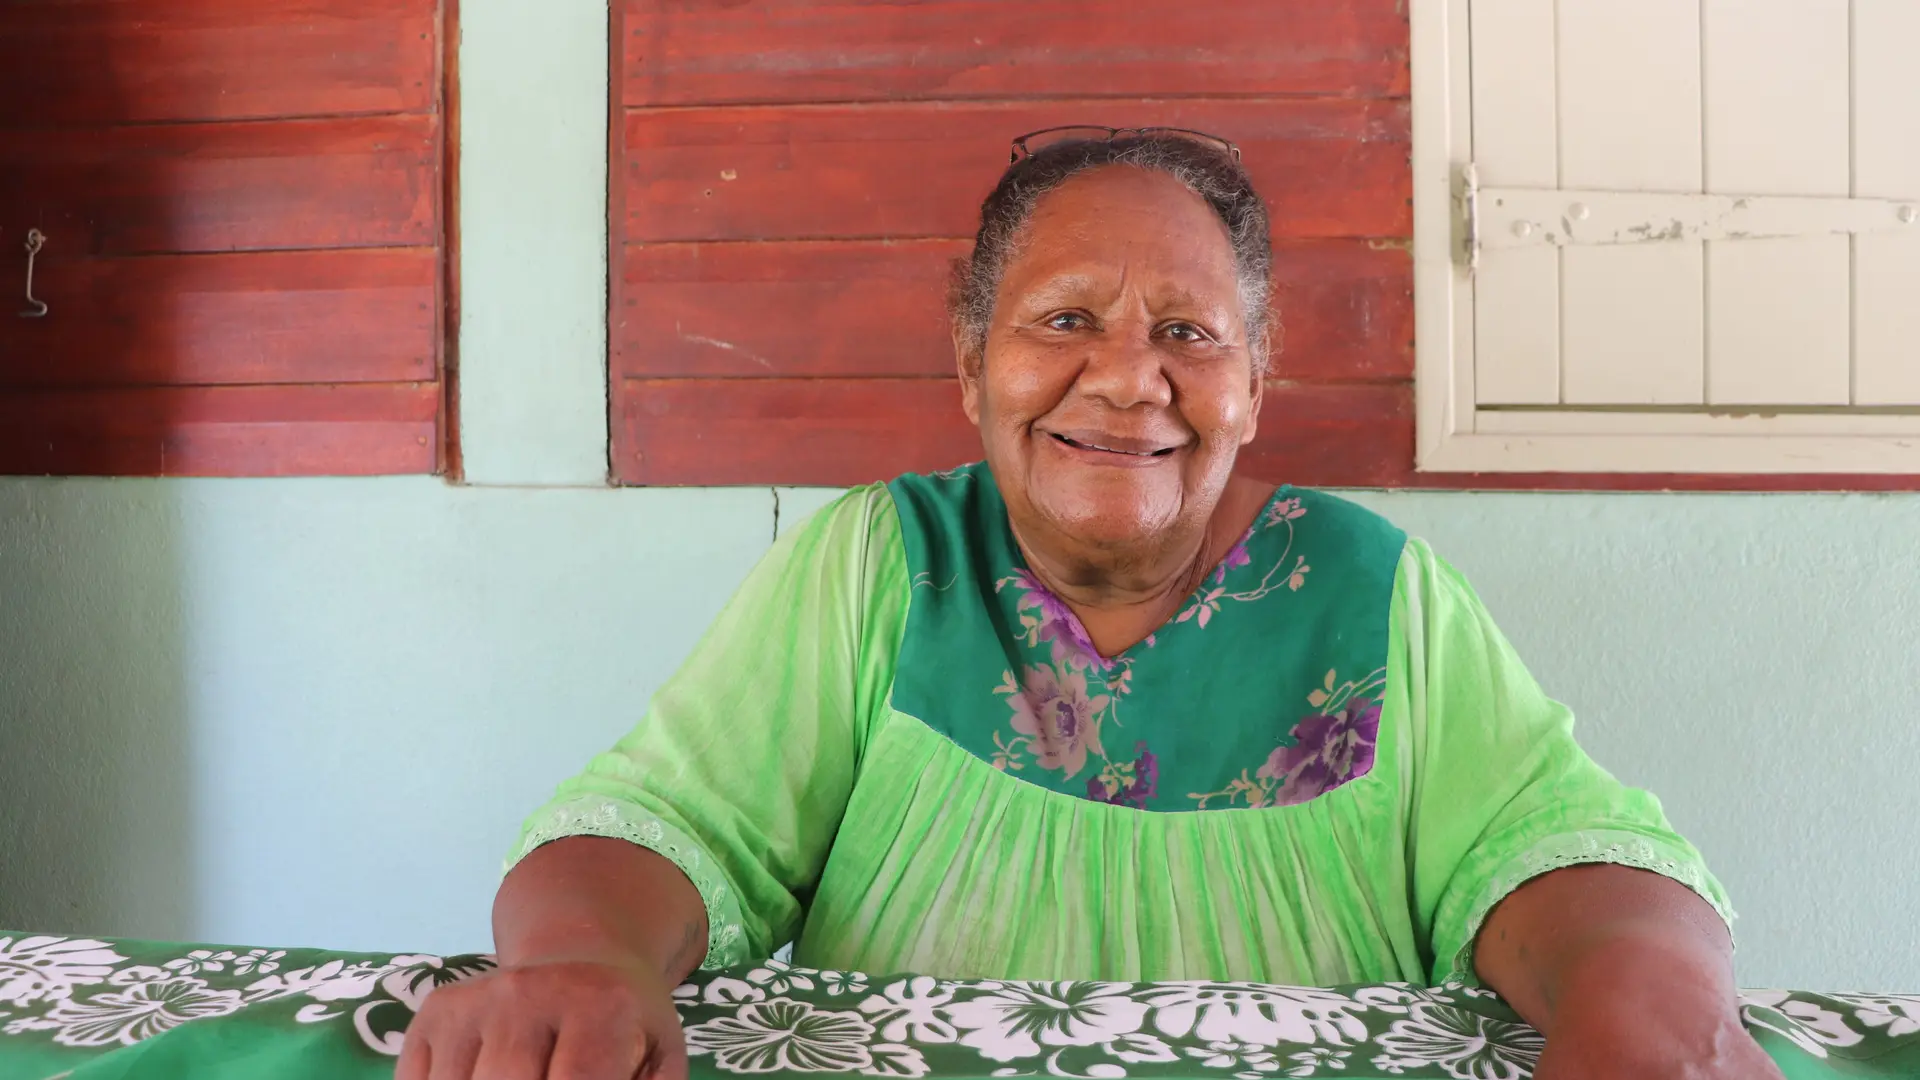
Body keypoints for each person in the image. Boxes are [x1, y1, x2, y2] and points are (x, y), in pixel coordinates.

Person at [400, 128, 1779, 1080]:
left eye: (1188, 332)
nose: (1130, 380)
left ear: (1257, 381)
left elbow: (1562, 852)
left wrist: (1641, 989)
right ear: (971, 361)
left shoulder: (1372, 592)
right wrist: (587, 960)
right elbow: (667, 823)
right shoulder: (884, 562)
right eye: (1064, 320)